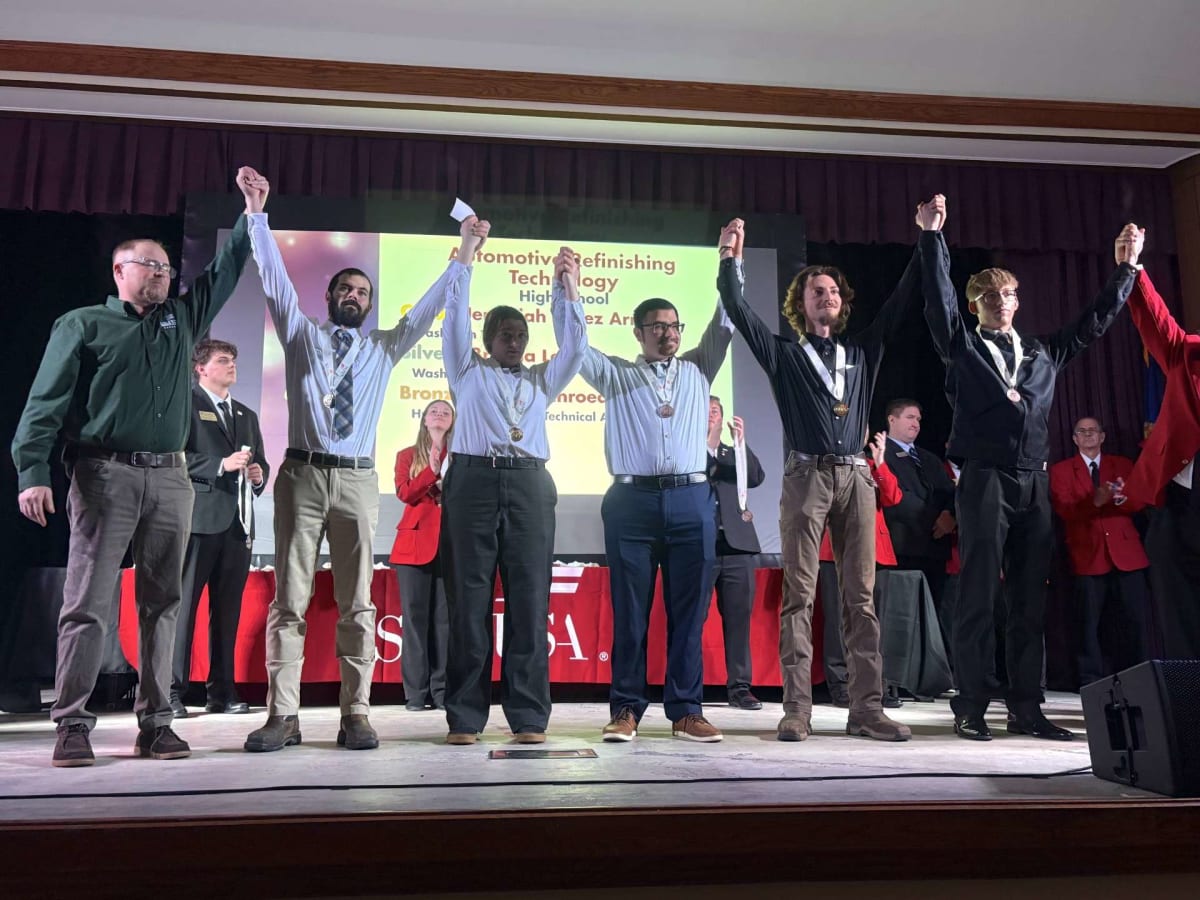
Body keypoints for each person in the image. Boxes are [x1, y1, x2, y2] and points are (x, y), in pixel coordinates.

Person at [12, 165, 260, 767]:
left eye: (168, 267)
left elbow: (225, 273)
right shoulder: (84, 324)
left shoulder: (180, 322)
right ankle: (73, 724)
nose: (162, 274)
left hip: (172, 478)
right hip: (105, 474)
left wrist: (252, 214)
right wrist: (32, 472)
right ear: (120, 271)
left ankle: (157, 722)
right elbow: (45, 403)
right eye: (150, 265)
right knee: (88, 602)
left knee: (163, 602)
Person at [243, 195, 467, 753]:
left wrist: (464, 252)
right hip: (303, 475)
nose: (354, 296)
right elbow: (275, 281)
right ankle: (283, 716)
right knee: (289, 600)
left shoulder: (383, 348)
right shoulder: (302, 336)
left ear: (370, 304)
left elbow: (427, 310)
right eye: (345, 289)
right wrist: (256, 214)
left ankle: (356, 713)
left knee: (358, 602)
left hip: (357, 480)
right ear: (329, 297)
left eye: (363, 292)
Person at [716, 207, 932, 743]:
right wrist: (729, 261)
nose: (826, 296)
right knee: (800, 594)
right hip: (806, 477)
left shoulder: (863, 350)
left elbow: (902, 300)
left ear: (842, 301)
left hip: (857, 478)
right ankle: (797, 710)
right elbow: (738, 310)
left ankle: (867, 709)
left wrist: (928, 238)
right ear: (801, 303)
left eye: (833, 291)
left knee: (861, 598)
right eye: (816, 291)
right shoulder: (784, 354)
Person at [922, 207, 1138, 741]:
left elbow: (1093, 323)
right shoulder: (962, 347)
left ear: (1018, 301)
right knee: (978, 597)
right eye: (990, 296)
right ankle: (971, 705)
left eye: (1009, 294)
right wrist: (931, 238)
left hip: (1034, 483)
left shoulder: (1043, 351)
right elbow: (938, 302)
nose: (1001, 301)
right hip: (984, 479)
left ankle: (1026, 708)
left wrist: (1127, 270)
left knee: (1029, 601)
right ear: (975, 305)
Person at [570, 270, 734, 743]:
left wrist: (730, 263)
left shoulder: (699, 368)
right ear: (638, 332)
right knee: (630, 612)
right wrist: (570, 290)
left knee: (690, 613)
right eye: (657, 326)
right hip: (631, 501)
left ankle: (686, 711)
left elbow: (725, 322)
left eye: (674, 325)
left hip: (691, 499)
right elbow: (575, 346)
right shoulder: (617, 374)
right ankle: (626, 709)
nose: (668, 333)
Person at [440, 234, 587, 745]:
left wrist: (567, 286)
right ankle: (465, 716)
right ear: (487, 339)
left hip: (529, 484)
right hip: (473, 481)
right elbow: (453, 318)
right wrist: (467, 254)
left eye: (521, 334)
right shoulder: (466, 370)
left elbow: (577, 347)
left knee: (529, 599)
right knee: (469, 600)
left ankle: (528, 716)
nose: (514, 341)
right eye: (504, 334)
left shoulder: (543, 380)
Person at [171, 339, 269, 718]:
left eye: (234, 360)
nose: (232, 366)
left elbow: (260, 461)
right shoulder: (185, 405)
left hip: (238, 525)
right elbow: (176, 457)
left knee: (228, 611)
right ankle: (171, 691)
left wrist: (258, 474)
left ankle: (222, 692)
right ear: (201, 368)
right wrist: (219, 465)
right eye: (223, 360)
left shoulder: (246, 415)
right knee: (183, 609)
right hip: (198, 520)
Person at [1116, 223, 1200, 660]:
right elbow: (1156, 324)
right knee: (1178, 609)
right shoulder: (1190, 354)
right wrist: (1132, 269)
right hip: (1178, 504)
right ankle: (1188, 691)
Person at [1048, 416, 1150, 686]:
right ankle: (1090, 681)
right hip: (1088, 555)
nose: (1088, 435)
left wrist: (1120, 498)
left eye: (1093, 430)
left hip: (1126, 555)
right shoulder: (1061, 471)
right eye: (1082, 431)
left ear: (1103, 436)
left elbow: (1140, 500)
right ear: (1074, 439)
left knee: (1134, 621)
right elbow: (1065, 510)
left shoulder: (1122, 465)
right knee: (1088, 624)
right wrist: (1094, 501)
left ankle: (1139, 679)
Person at [819, 431, 903, 708]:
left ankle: (875, 685)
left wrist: (880, 463)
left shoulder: (872, 464)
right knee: (838, 621)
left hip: (876, 552)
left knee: (874, 621)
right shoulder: (827, 463)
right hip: (837, 550)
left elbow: (893, 497)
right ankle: (841, 684)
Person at [388, 399, 455, 712]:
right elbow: (406, 493)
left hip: (451, 544)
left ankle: (441, 692)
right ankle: (415, 693)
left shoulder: (461, 456)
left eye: (446, 412)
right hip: (413, 547)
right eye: (434, 411)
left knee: (445, 622)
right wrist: (431, 471)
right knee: (415, 622)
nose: (439, 415)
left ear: (453, 421)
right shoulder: (407, 455)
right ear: (424, 420)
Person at [881, 398, 957, 658]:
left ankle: (938, 669)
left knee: (937, 614)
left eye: (919, 420)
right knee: (905, 617)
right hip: (904, 548)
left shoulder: (929, 459)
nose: (916, 424)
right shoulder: (880, 455)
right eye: (910, 417)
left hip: (936, 548)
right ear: (892, 419)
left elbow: (950, 493)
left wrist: (950, 516)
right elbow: (894, 498)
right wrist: (934, 518)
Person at [704, 397, 765, 710]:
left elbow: (755, 477)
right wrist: (709, 445)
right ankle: (687, 687)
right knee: (691, 620)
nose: (711, 415)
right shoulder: (686, 453)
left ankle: (740, 687)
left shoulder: (734, 454)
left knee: (738, 621)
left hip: (737, 547)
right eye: (705, 411)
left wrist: (740, 444)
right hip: (699, 547)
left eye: (715, 411)